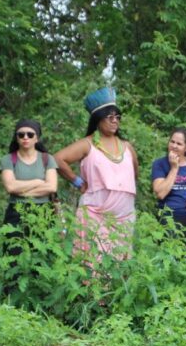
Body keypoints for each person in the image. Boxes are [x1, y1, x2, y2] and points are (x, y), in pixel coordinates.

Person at [55, 87, 138, 261]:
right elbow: (58, 160)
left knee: (121, 265)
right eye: (110, 117)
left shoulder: (127, 147)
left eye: (118, 117)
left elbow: (134, 174)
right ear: (98, 120)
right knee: (95, 263)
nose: (115, 121)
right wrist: (77, 181)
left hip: (124, 216)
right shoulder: (88, 144)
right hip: (95, 213)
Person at [0, 120, 58, 259]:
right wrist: (37, 182)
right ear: (16, 137)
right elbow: (10, 187)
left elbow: (51, 186)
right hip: (16, 211)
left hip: (43, 212)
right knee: (13, 255)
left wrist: (21, 190)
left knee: (41, 256)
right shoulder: (8, 159)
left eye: (30, 134)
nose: (25, 137)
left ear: (37, 138)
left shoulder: (47, 159)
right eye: (21, 134)